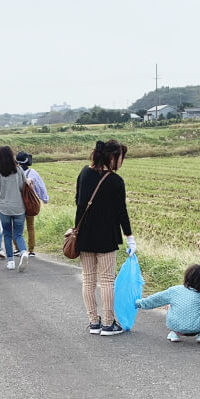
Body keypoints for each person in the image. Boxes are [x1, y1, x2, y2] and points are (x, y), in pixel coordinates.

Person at [67, 140, 135, 336]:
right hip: (106, 236)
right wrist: (130, 237)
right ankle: (108, 323)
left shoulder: (84, 173)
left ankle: (93, 322)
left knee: (88, 280)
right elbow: (122, 212)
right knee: (106, 281)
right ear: (112, 157)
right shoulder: (115, 181)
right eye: (121, 157)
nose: (122, 162)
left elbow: (78, 200)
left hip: (85, 235)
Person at [135, 264, 200, 343]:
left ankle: (174, 333)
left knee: (170, 305)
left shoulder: (174, 290)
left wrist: (140, 303)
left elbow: (156, 299)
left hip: (175, 326)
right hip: (199, 328)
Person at [0, 146, 30, 272]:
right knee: (18, 234)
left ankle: (11, 261)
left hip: (4, 209)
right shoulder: (19, 170)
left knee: (7, 234)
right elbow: (24, 187)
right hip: (19, 208)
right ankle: (23, 252)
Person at [16, 151, 49, 256]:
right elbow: (40, 187)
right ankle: (31, 250)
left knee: (16, 227)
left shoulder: (14, 172)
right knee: (30, 226)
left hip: (17, 203)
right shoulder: (32, 173)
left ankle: (18, 248)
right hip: (29, 204)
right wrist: (44, 198)